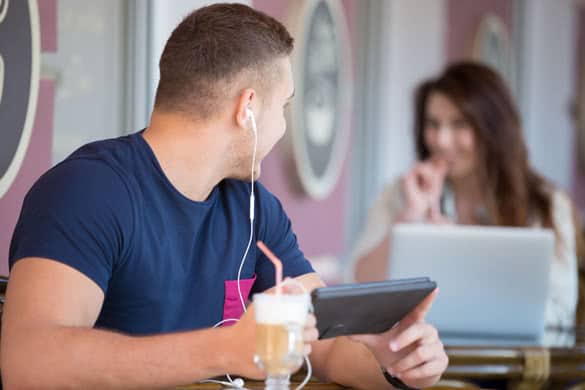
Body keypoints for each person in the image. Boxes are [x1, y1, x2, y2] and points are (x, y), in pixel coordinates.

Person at [1, 4, 448, 389]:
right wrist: (223, 349)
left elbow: (325, 345)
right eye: (284, 107)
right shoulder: (87, 191)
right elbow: (30, 364)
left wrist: (394, 364)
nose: (282, 127)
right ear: (248, 108)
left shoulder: (255, 208)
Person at [351, 61, 582, 332]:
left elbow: (559, 310)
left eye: (460, 124)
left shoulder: (545, 204)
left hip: (516, 369)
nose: (442, 140)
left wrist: (460, 253)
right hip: (417, 361)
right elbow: (359, 284)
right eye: (433, 124)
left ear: (494, 129)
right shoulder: (402, 195)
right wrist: (409, 219)